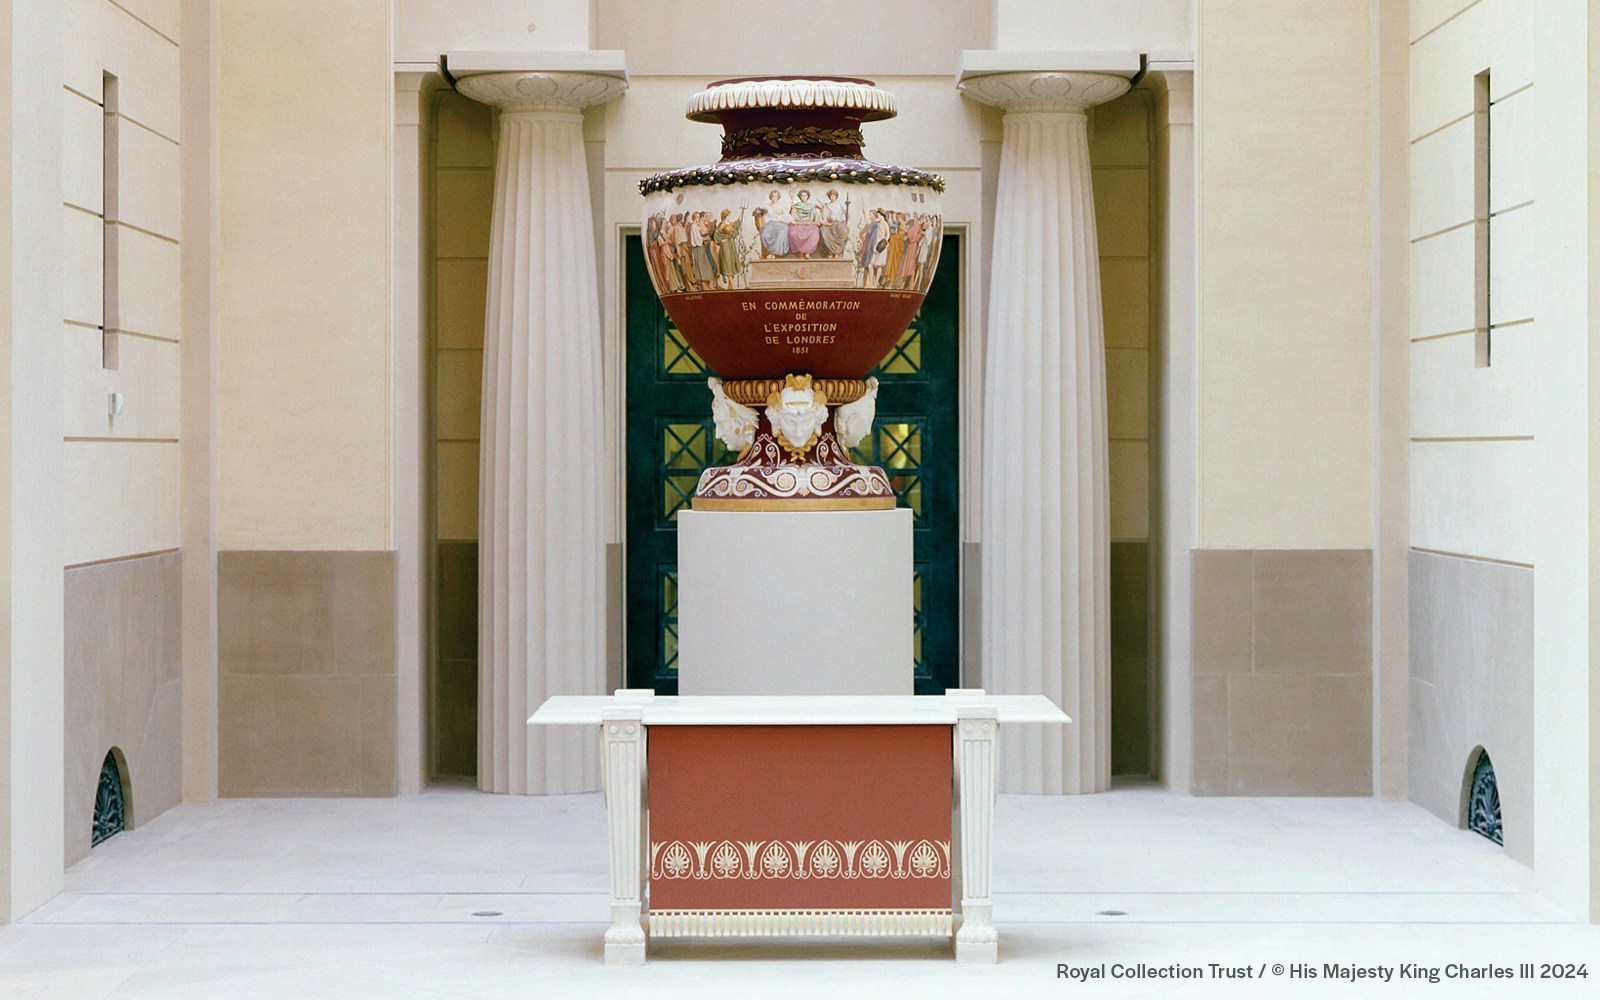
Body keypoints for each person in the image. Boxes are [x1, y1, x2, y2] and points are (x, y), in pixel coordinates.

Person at [713, 207, 745, 288]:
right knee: (727, 263)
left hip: (731, 245)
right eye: (728, 216)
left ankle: (730, 286)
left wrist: (742, 212)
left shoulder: (730, 224)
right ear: (725, 216)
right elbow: (716, 235)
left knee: (732, 263)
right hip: (725, 246)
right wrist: (721, 241)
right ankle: (732, 285)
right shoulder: (722, 225)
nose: (729, 217)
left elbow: (737, 223)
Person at [787, 189, 822, 259]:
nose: (804, 197)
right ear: (800, 197)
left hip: (809, 223)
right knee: (792, 231)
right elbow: (793, 217)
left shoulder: (811, 206)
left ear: (808, 196)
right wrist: (792, 208)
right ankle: (800, 252)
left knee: (814, 231)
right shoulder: (796, 206)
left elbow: (816, 218)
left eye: (805, 196)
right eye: (802, 196)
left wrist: (812, 222)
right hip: (799, 223)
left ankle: (807, 252)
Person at [758, 190, 790, 259]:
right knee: (764, 233)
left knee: (781, 232)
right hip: (770, 224)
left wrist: (790, 221)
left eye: (776, 196)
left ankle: (774, 253)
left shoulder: (781, 206)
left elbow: (786, 216)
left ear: (778, 197)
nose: (774, 198)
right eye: (773, 196)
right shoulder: (767, 207)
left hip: (780, 223)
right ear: (770, 197)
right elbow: (764, 217)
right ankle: (769, 252)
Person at [820, 189, 850, 258]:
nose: (832, 197)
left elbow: (846, 214)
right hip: (830, 223)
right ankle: (830, 251)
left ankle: (837, 252)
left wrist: (844, 217)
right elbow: (825, 216)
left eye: (834, 196)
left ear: (836, 196)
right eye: (831, 196)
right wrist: (823, 208)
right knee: (823, 230)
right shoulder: (827, 205)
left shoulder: (840, 205)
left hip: (838, 222)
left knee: (843, 231)